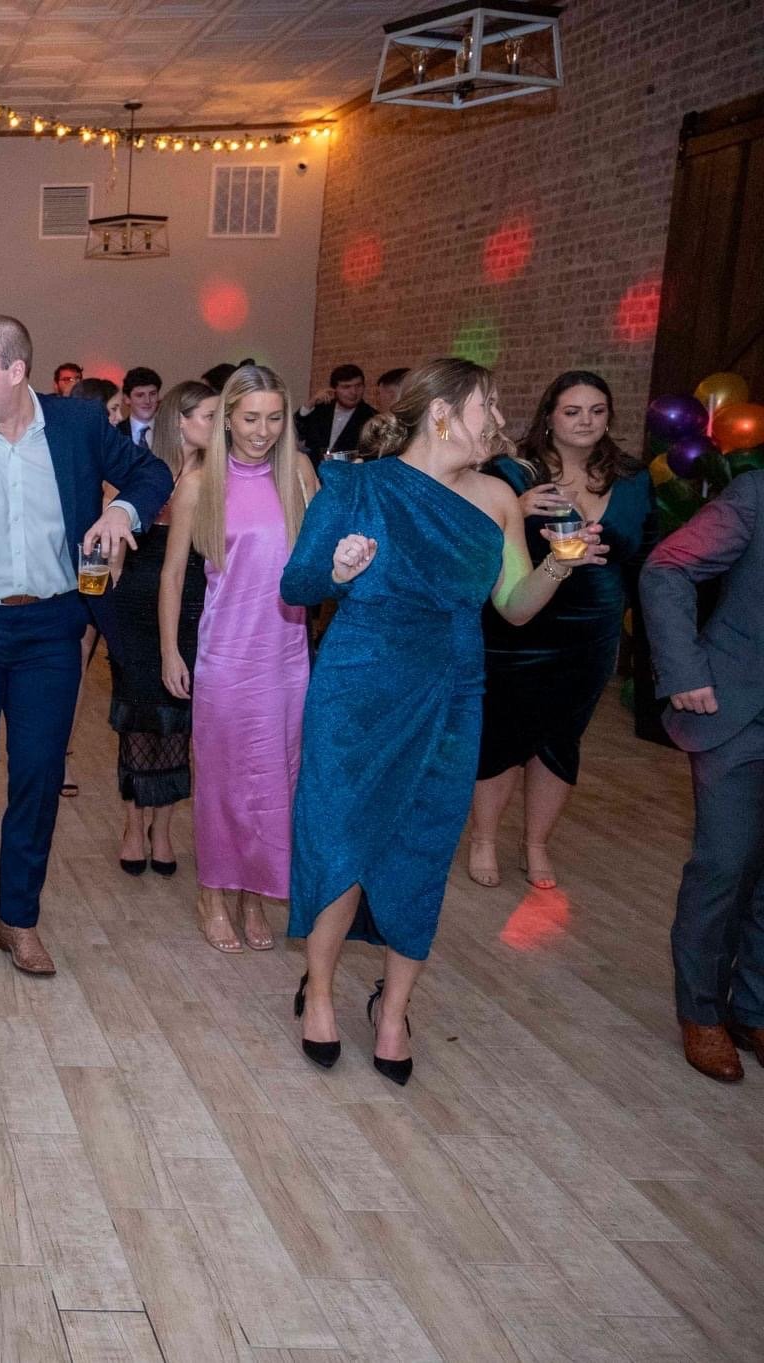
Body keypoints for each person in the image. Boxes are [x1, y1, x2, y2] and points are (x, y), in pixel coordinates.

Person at [283, 358, 601, 1085]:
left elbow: (514, 604)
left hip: (454, 687)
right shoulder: (355, 485)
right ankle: (321, 992)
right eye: (487, 405)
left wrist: (563, 561)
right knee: (341, 832)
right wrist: (336, 568)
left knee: (422, 842)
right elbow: (295, 583)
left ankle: (393, 1008)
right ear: (442, 413)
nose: (497, 419)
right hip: (359, 684)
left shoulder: (497, 497)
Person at [0, 316, 172, 976]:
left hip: (51, 629)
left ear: (17, 372)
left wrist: (121, 512)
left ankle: (17, 920)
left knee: (40, 777)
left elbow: (152, 471)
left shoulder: (75, 426)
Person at [468, 371, 655, 890]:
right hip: (521, 624)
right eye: (573, 411)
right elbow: (476, 532)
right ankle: (483, 838)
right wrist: (516, 509)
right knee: (504, 732)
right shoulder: (514, 472)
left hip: (591, 630)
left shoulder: (634, 477)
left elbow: (644, 552)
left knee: (561, 738)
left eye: (597, 411)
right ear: (549, 415)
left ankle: (536, 845)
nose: (586, 421)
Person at [166, 366, 317, 951]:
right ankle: (213, 891)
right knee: (224, 779)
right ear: (227, 418)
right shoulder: (202, 483)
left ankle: (256, 894)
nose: (262, 431)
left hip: (286, 654)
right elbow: (175, 574)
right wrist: (168, 651)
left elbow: (324, 559)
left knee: (279, 776)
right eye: (250, 418)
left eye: (275, 418)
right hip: (226, 654)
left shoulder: (299, 475)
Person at [641, 469, 764, 1082]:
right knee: (725, 862)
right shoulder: (756, 494)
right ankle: (703, 1012)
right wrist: (684, 668)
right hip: (742, 712)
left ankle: (755, 1008)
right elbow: (667, 568)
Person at [112, 380, 216, 881]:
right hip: (135, 603)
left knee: (178, 718)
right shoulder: (142, 472)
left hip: (194, 602)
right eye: (210, 416)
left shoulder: (220, 476)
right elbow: (110, 535)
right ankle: (134, 826)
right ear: (181, 420)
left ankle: (164, 830)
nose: (219, 427)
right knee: (137, 718)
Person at [294, 363, 376, 464]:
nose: (354, 392)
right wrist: (310, 404)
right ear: (334, 389)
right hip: (314, 472)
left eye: (358, 386)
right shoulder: (321, 410)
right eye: (346, 387)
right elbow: (296, 431)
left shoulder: (371, 416)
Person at [115, 366, 163, 450]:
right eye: (140, 395)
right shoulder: (115, 433)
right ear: (127, 399)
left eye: (152, 394)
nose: (147, 401)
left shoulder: (170, 431)